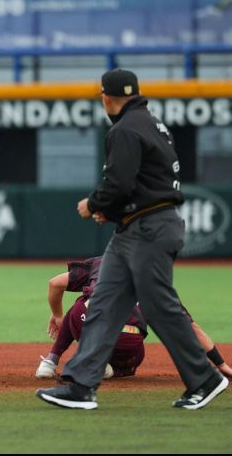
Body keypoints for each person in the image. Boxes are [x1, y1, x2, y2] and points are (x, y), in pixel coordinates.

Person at [36, 69, 228, 410]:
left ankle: (205, 379)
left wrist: (94, 204)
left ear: (105, 98)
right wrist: (112, 210)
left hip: (149, 228)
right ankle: (81, 386)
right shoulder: (154, 124)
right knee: (104, 301)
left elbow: (120, 183)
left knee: (159, 307)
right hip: (135, 226)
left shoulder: (123, 129)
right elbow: (146, 180)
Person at [34, 256, 232, 380]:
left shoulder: (99, 262)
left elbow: (55, 284)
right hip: (128, 338)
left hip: (88, 321)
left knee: (81, 304)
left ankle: (51, 362)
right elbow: (192, 329)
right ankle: (103, 366)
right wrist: (221, 364)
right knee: (134, 360)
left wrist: (58, 315)